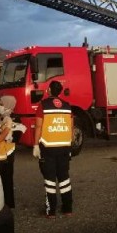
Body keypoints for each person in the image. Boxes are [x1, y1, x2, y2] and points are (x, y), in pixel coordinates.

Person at [32, 80, 73, 219]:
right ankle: (68, 209)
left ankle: (51, 211)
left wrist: (36, 145)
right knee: (64, 178)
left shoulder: (43, 105)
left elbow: (38, 126)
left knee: (50, 180)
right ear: (60, 92)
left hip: (48, 147)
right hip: (64, 147)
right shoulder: (67, 106)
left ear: (49, 90)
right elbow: (71, 127)